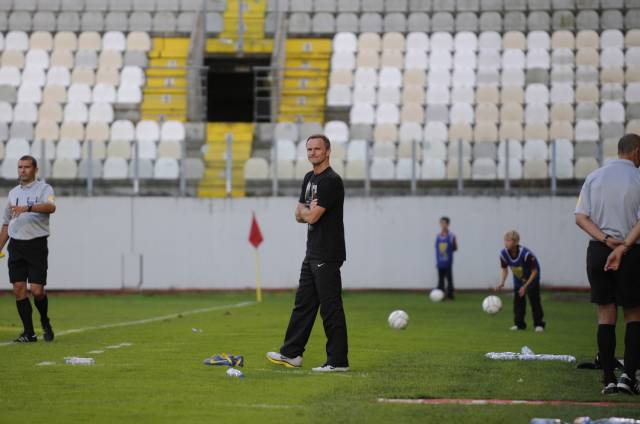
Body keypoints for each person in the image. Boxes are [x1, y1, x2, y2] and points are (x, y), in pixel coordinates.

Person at [266, 134, 349, 372]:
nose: (312, 153)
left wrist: (307, 213)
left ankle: (338, 361)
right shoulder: (309, 178)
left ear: (327, 152)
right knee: (303, 304)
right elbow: (298, 214)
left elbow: (311, 216)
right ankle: (291, 354)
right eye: (309, 149)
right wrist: (306, 212)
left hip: (328, 252)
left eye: (317, 149)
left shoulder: (331, 181)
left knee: (330, 307)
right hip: (312, 252)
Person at [575, 133, 640, 395]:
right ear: (636, 152)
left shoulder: (594, 177)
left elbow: (580, 217)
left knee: (605, 315)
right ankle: (628, 378)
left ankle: (608, 379)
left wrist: (605, 239)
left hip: (599, 251)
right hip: (631, 251)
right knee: (634, 314)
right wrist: (623, 246)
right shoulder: (638, 178)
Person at [0, 155, 56, 343]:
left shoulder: (45, 188)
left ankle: (45, 321)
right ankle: (29, 332)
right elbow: (7, 224)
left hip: (36, 244)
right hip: (16, 245)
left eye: (26, 167)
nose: (22, 170)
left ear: (35, 169)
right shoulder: (13, 193)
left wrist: (28, 208)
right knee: (18, 289)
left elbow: (51, 207)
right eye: (19, 167)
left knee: (38, 291)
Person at [495, 230, 545, 332]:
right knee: (518, 302)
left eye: (509, 240)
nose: (506, 243)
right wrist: (502, 282)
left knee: (534, 300)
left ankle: (539, 324)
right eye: (505, 240)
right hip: (518, 279)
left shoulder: (526, 254)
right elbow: (505, 269)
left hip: (532, 278)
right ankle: (519, 324)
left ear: (516, 242)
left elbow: (534, 271)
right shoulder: (503, 253)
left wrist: (525, 286)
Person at [435, 216, 457, 300]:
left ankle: (450, 296)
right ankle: (440, 295)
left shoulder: (451, 236)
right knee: (440, 281)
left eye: (444, 223)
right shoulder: (438, 236)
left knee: (449, 280)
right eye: (441, 223)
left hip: (448, 262)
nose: (442, 225)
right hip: (440, 262)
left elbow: (455, 247)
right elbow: (437, 249)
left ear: (448, 224)